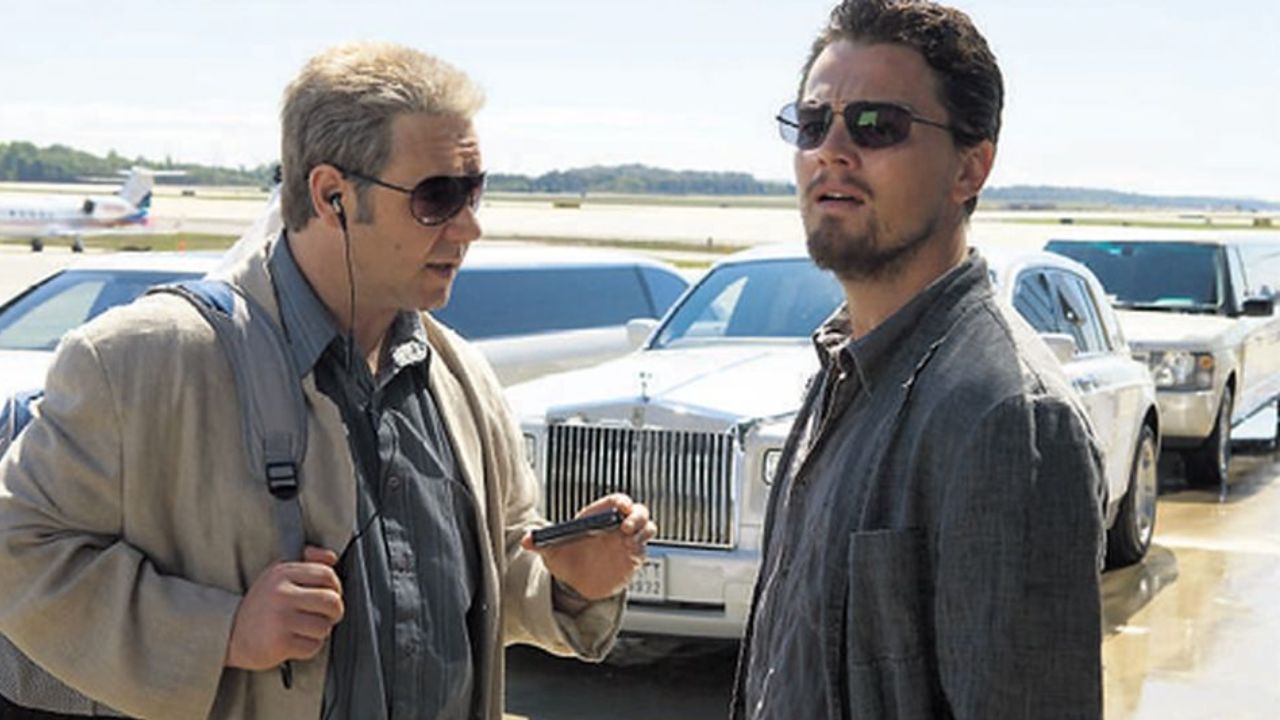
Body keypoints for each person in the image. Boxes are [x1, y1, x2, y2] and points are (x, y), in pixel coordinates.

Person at [0, 42, 654, 720]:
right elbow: (17, 550)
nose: (470, 226)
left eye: (475, 191)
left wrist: (573, 582)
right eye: (437, 197)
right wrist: (223, 631)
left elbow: (490, 585)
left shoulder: (462, 380)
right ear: (331, 195)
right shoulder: (146, 361)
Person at [731, 2, 1104, 718]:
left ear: (970, 167)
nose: (832, 150)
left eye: (878, 125)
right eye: (812, 123)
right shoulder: (841, 372)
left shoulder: (1008, 419)